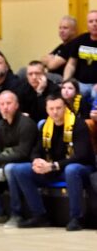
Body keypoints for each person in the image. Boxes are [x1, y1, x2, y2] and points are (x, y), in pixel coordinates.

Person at [7, 91, 94, 230]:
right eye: (51, 109)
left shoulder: (78, 124)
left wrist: (53, 166)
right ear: (47, 110)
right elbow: (36, 150)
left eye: (58, 108)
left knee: (72, 170)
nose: (55, 112)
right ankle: (39, 216)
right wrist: (37, 161)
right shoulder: (45, 126)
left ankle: (77, 218)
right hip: (53, 168)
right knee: (19, 170)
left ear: (65, 107)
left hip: (80, 169)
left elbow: (81, 156)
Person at [0, 90, 38, 226]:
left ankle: (16, 214)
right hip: (5, 164)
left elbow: (23, 153)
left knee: (10, 169)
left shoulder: (26, 124)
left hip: (26, 165)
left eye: (9, 103)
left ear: (16, 105)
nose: (5, 107)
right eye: (2, 104)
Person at [63, 10, 97, 97]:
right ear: (87, 24)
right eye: (91, 21)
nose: (94, 24)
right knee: (68, 92)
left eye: (96, 21)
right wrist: (65, 82)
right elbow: (71, 64)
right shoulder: (80, 40)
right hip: (81, 84)